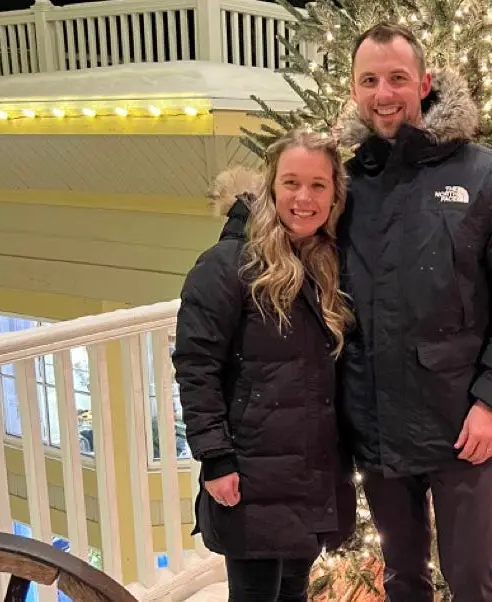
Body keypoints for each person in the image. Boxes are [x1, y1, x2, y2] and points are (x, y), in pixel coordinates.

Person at [334, 23, 492, 602]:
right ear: (355, 90)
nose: (384, 93)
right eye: (370, 80)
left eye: (397, 78)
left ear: (425, 82)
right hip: (378, 428)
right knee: (403, 580)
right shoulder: (345, 182)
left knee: (472, 582)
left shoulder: (483, 175)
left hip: (464, 427)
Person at [172, 129, 357, 602]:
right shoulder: (227, 265)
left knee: (294, 591)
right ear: (271, 187)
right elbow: (197, 367)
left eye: (318, 185)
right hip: (252, 471)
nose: (304, 197)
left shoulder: (329, 262)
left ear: (334, 194)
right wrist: (216, 458)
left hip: (313, 470)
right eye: (291, 182)